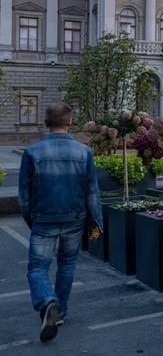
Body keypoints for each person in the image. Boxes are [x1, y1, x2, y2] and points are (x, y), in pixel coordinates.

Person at [18, 102, 103, 343]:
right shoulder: (83, 152)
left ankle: (47, 301)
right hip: (75, 218)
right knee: (67, 265)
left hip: (43, 218)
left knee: (37, 268)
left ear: (45, 122)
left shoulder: (32, 152)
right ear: (70, 122)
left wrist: (31, 218)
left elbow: (24, 195)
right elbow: (92, 192)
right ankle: (60, 312)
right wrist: (96, 222)